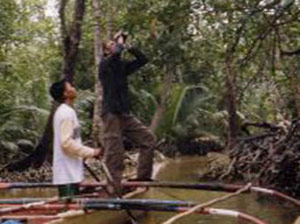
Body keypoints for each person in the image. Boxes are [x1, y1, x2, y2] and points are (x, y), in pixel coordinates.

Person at [98, 31, 156, 192]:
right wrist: (120, 42)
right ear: (106, 51)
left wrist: (128, 46)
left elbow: (143, 60)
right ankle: (113, 190)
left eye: (114, 44)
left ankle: (142, 177)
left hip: (124, 113)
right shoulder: (105, 65)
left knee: (148, 140)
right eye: (111, 45)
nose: (114, 46)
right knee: (115, 152)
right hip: (111, 114)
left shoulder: (121, 67)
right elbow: (116, 54)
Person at [50, 79, 101, 197]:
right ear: (65, 93)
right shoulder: (66, 113)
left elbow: (71, 141)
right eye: (70, 87)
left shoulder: (65, 111)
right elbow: (66, 143)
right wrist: (92, 152)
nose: (74, 88)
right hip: (67, 174)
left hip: (70, 172)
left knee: (71, 204)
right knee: (69, 206)